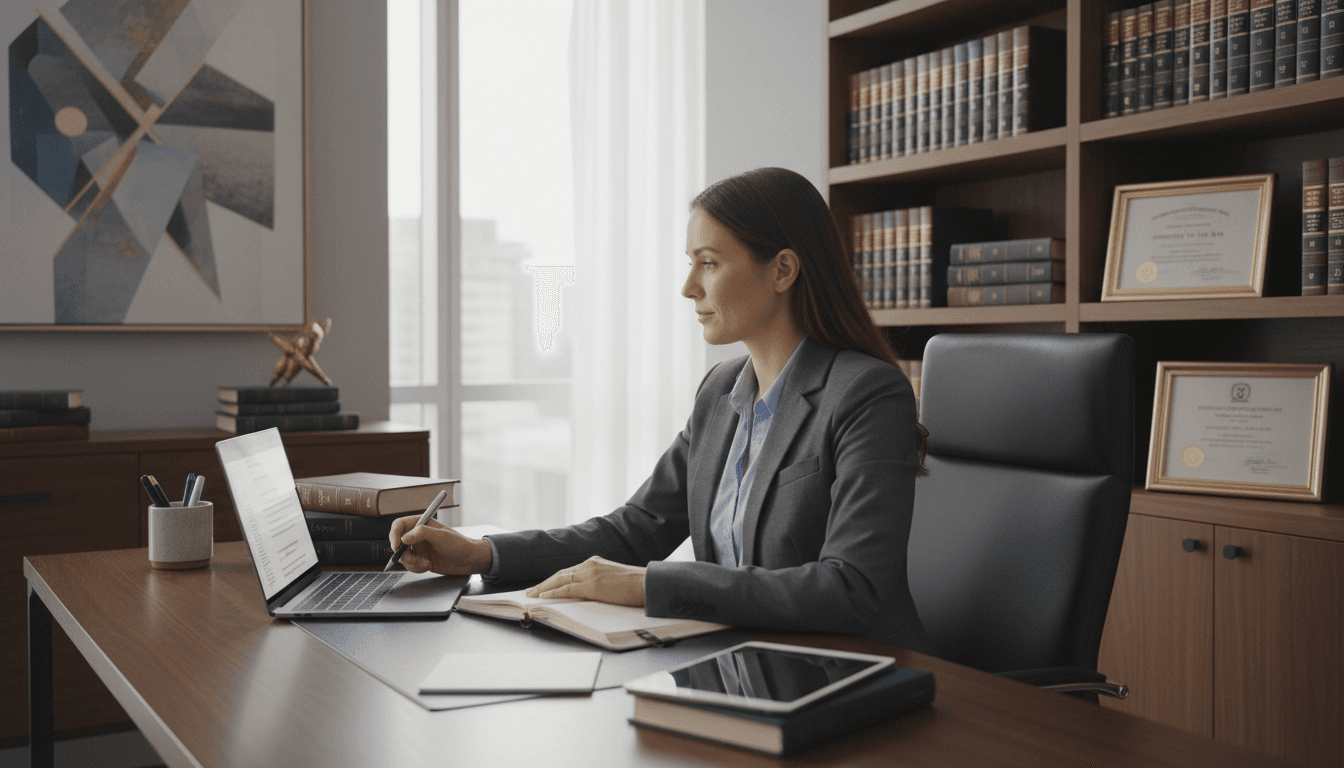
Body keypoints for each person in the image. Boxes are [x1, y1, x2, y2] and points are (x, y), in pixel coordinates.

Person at [391, 167, 933, 653]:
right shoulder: (720, 392)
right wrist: (480, 553)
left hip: (854, 672)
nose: (688, 286)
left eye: (709, 263)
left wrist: (648, 584)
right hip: (742, 661)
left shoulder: (867, 394)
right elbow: (633, 532)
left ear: (782, 270)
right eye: (690, 263)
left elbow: (853, 588)